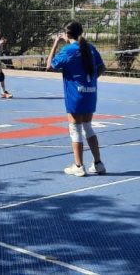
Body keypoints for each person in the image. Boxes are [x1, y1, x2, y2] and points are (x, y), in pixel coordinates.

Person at [47, 21, 106, 177]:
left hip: (76, 95)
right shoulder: (90, 48)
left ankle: (79, 166)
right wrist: (91, 80)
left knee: (75, 129)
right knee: (88, 127)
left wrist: (55, 44)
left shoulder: (68, 50)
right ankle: (98, 163)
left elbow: (49, 66)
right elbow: (102, 67)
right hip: (90, 92)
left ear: (66, 34)